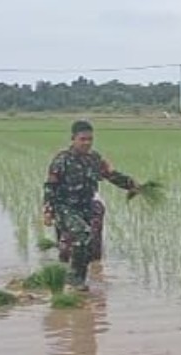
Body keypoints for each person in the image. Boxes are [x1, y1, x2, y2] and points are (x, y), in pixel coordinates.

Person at [43, 120, 140, 290]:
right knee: (83, 235)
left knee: (87, 245)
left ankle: (75, 277)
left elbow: (111, 175)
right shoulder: (62, 160)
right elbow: (50, 186)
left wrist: (131, 184)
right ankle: (74, 279)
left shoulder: (94, 159)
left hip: (86, 206)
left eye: (90, 139)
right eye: (83, 139)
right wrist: (48, 211)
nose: (87, 143)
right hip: (65, 207)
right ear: (73, 139)